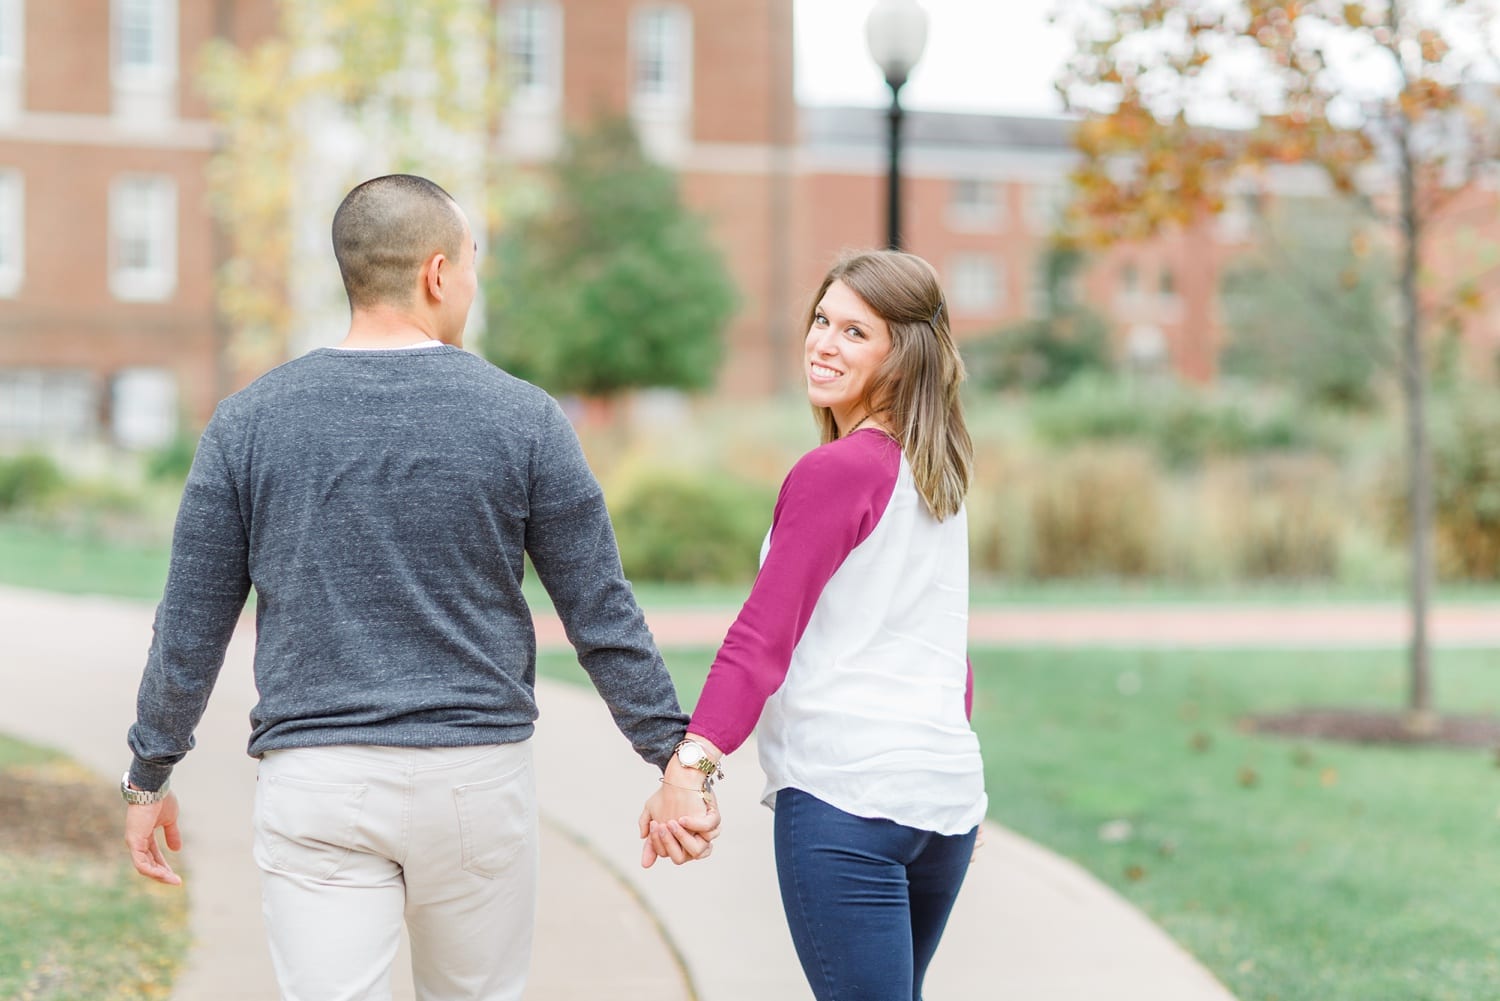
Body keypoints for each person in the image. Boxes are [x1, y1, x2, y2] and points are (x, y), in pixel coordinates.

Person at [122, 173, 717, 1001]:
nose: (472, 282)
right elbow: (601, 614)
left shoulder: (248, 422)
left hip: (317, 780)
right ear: (437, 273)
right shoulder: (526, 418)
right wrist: (673, 758)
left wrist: (149, 771)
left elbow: (190, 623)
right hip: (476, 779)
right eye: (472, 261)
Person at [649, 250, 987, 1000]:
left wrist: (692, 765)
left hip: (848, 797)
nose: (823, 343)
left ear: (904, 353)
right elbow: (944, 648)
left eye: (855, 332)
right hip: (943, 802)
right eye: (822, 320)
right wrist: (948, 779)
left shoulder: (838, 471)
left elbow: (764, 633)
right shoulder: (940, 473)